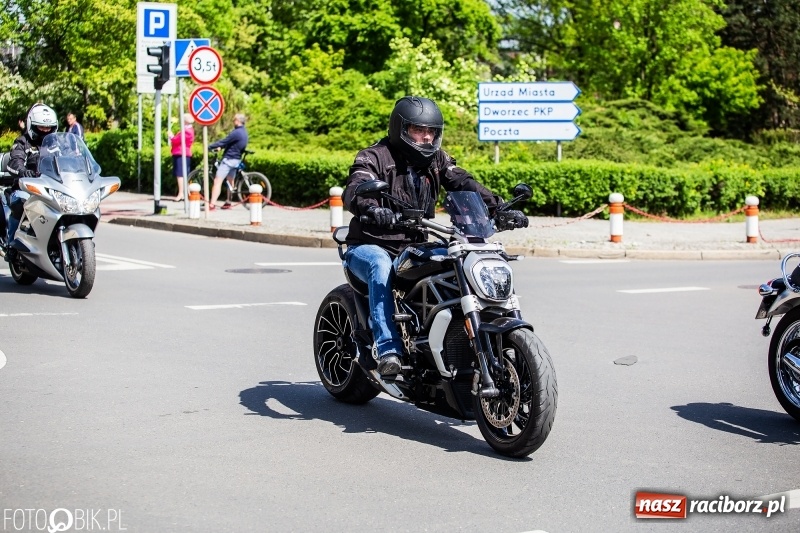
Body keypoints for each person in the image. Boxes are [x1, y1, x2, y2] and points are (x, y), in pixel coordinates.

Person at [343, 96, 529, 377]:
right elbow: (357, 186)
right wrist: (372, 208)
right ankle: (388, 348)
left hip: (414, 245)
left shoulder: (437, 159)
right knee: (380, 266)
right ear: (401, 129)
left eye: (431, 131)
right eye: (419, 130)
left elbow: (463, 182)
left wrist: (498, 207)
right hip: (371, 243)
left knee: (457, 261)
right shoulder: (373, 156)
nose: (426, 136)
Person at [4, 103, 59, 261]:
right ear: (32, 125)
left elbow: (69, 158)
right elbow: (15, 161)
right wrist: (22, 171)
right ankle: (12, 244)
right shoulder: (22, 142)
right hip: (27, 188)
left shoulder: (56, 145)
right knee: (19, 203)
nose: (45, 130)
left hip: (52, 187)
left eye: (49, 127)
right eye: (41, 127)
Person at [207, 113, 248, 210]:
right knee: (230, 180)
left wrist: (210, 146)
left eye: (234, 120)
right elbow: (231, 143)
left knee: (217, 181)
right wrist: (221, 147)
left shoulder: (236, 132)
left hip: (229, 159)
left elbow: (225, 141)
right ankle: (228, 202)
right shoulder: (244, 132)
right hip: (236, 159)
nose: (233, 122)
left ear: (238, 121)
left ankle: (212, 205)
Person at [168, 113, 195, 202]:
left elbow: (177, 140)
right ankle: (185, 192)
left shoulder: (187, 131)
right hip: (182, 153)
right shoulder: (188, 130)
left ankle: (181, 194)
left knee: (180, 174)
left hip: (181, 153)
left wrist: (171, 136)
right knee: (183, 174)